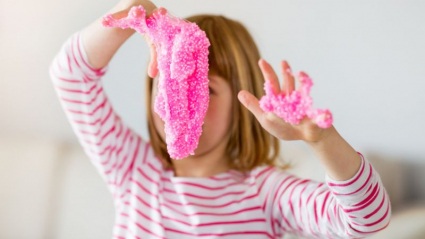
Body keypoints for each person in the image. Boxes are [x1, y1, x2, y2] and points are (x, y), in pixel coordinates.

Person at [48, 0, 391, 238]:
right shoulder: (134, 171)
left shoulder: (265, 194)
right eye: (166, 81)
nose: (175, 100)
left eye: (205, 89)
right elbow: (70, 75)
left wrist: (322, 139)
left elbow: (366, 221)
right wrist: (133, 10)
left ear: (243, 104)